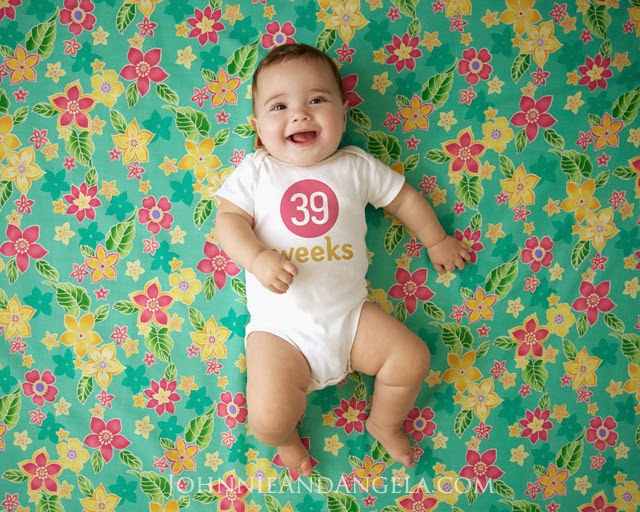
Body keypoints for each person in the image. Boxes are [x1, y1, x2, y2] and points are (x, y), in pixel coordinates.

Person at [215, 43, 471, 477]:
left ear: (344, 112)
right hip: (281, 332)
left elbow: (404, 199)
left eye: (317, 100)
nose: (300, 114)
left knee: (412, 358)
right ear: (258, 127)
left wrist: (437, 239)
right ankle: (287, 439)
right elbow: (227, 221)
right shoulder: (256, 171)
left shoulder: (355, 167)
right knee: (267, 419)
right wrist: (257, 259)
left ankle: (384, 422)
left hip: (351, 320)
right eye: (279, 106)